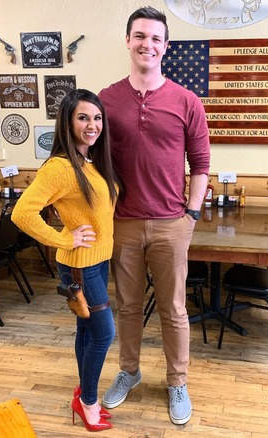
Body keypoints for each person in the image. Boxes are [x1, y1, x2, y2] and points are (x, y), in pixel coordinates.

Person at [98, 6, 211, 426]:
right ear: (128, 41)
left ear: (166, 46)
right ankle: (129, 371)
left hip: (171, 224)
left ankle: (177, 381)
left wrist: (191, 216)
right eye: (140, 36)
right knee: (126, 307)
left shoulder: (187, 100)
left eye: (156, 38)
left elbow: (200, 164)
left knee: (174, 310)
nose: (148, 44)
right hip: (122, 223)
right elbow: (89, 161)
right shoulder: (105, 101)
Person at [12, 89, 121, 432]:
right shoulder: (60, 167)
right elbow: (22, 213)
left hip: (96, 261)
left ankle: (83, 394)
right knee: (103, 335)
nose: (92, 125)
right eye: (83, 117)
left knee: (86, 330)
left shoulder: (89, 161)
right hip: (80, 264)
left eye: (97, 117)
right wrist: (64, 237)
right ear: (68, 122)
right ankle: (88, 400)